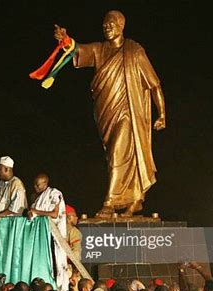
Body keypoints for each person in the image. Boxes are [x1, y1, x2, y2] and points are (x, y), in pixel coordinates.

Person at [53, 10, 166, 216]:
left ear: (121, 26)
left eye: (111, 24)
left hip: (129, 112)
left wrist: (162, 114)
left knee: (118, 154)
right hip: (106, 113)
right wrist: (66, 40)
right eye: (104, 24)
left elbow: (154, 84)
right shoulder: (99, 50)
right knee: (116, 155)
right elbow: (78, 50)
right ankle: (135, 199)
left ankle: (110, 201)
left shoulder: (134, 51)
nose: (107, 27)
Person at [28, 173, 69, 291]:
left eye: (38, 185)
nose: (35, 187)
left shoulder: (54, 194)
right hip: (42, 236)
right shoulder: (37, 198)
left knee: (58, 261)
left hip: (55, 234)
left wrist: (36, 211)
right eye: (34, 185)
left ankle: (61, 289)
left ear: (45, 184)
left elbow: (54, 214)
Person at [0, 156, 27, 224]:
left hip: (11, 224)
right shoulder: (0, 184)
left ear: (6, 169)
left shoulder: (16, 184)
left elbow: (15, 208)